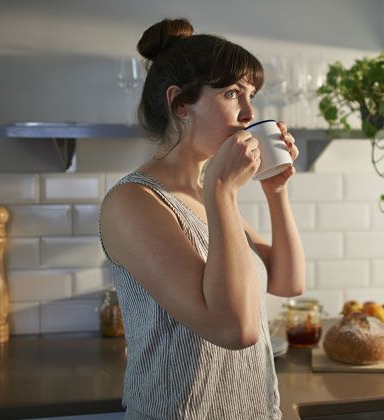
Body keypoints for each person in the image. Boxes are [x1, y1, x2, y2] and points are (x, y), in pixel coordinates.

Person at [99, 18, 305, 419]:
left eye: (251, 95)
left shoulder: (203, 193)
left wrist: (275, 191)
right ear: (179, 103)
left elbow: (287, 281)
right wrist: (222, 190)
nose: (249, 112)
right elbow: (235, 329)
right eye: (232, 93)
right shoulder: (133, 202)